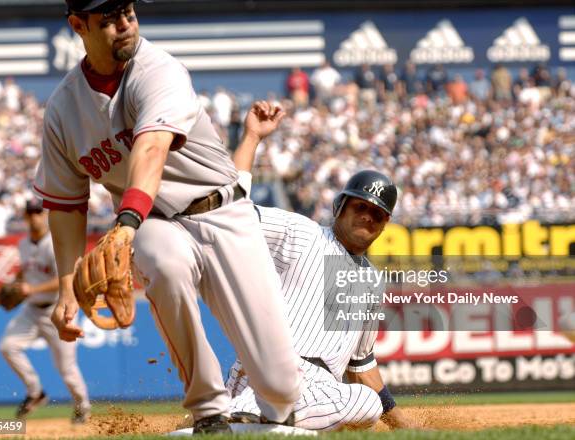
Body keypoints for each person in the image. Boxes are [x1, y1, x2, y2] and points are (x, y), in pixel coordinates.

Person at [33, 0, 301, 434]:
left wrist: (125, 224)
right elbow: (66, 205)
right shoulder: (63, 109)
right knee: (160, 258)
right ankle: (210, 410)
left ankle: (279, 404)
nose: (124, 25)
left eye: (128, 12)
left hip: (222, 211)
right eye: (109, 19)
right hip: (154, 223)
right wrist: (66, 289)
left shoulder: (159, 69)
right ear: (78, 25)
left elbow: (152, 148)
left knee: (280, 382)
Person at [226, 137, 417, 431]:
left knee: (368, 404)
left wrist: (403, 425)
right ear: (340, 206)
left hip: (320, 391)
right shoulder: (302, 233)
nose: (367, 216)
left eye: (377, 213)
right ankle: (244, 411)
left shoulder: (372, 283)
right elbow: (235, 213)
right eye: (359, 206)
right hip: (273, 366)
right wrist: (251, 137)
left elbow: (361, 365)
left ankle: (257, 420)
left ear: (384, 224)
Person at [0, 199, 91, 423]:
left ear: (44, 215)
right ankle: (36, 392)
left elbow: (64, 279)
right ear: (25, 217)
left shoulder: (55, 243)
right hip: (32, 310)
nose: (34, 216)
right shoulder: (23, 244)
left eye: (37, 212)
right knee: (7, 346)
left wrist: (32, 288)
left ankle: (82, 407)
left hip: (58, 309)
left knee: (67, 369)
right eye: (30, 213)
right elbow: (24, 274)